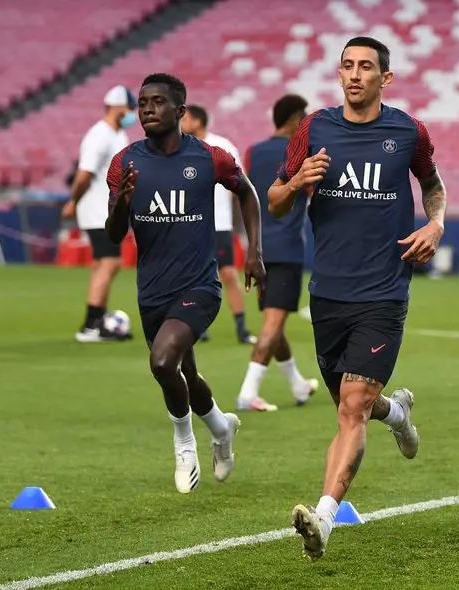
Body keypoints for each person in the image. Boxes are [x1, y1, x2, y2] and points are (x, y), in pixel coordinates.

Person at [267, 37, 442, 561]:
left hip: (385, 292)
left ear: (385, 79)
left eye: (367, 67)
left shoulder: (408, 130)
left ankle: (322, 518)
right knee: (354, 405)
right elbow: (275, 202)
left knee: (351, 408)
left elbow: (432, 185)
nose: (355, 74)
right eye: (348, 65)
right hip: (328, 295)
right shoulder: (313, 129)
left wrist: (436, 224)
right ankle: (399, 415)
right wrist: (298, 180)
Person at [104, 73, 266, 493]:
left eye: (157, 102)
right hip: (152, 291)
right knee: (185, 376)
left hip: (199, 287)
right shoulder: (125, 163)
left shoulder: (209, 158)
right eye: (142, 102)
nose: (147, 109)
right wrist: (121, 201)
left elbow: (246, 192)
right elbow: (113, 234)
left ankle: (184, 442)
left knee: (162, 363)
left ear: (180, 111)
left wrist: (254, 252)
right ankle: (221, 427)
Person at [236, 94, 320, 412]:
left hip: (257, 248)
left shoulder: (253, 152)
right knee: (272, 324)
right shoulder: (301, 153)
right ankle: (248, 393)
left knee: (275, 319)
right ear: (296, 118)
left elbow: (243, 195)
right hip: (287, 249)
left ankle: (298, 385)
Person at [62, 85, 137, 342]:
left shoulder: (118, 135)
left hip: (109, 209)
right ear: (116, 107)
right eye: (129, 108)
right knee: (110, 262)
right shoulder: (99, 135)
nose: (133, 114)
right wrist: (74, 200)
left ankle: (98, 320)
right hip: (96, 210)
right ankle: (91, 324)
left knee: (101, 264)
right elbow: (85, 173)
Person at [179, 104, 256, 345]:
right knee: (193, 278)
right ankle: (199, 327)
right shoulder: (182, 148)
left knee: (228, 274)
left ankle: (242, 327)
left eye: (186, 118)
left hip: (218, 224)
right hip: (191, 225)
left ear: (198, 122)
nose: (182, 123)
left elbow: (239, 184)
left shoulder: (221, 146)